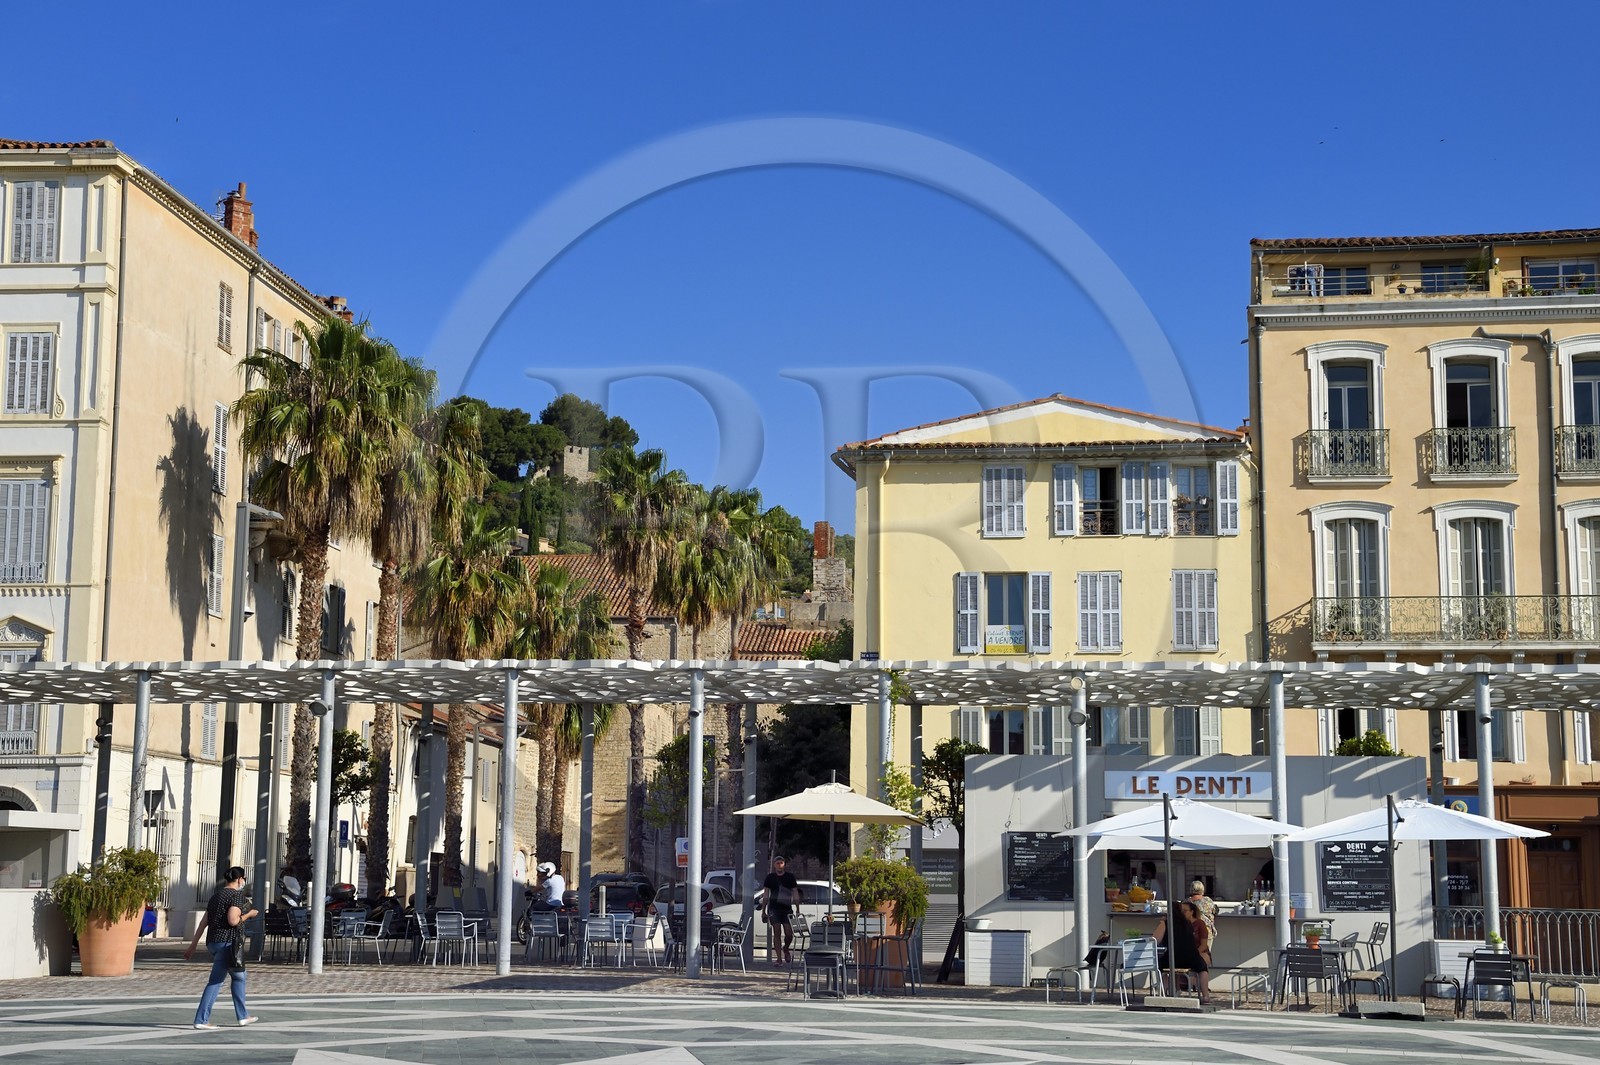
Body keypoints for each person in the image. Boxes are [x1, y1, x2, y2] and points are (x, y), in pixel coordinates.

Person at [184, 865, 259, 1029]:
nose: (243, 882)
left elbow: (203, 924)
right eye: (243, 879)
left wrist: (192, 946)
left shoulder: (215, 897)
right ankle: (201, 1020)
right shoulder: (236, 896)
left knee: (240, 976)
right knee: (216, 981)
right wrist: (249, 914)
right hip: (228, 944)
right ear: (239, 879)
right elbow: (233, 920)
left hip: (214, 942)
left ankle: (243, 1016)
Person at [1154, 899, 1212, 1004]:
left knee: (1161, 967)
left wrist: (1162, 923)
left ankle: (1164, 992)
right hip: (1190, 957)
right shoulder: (1188, 924)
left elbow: (1155, 940)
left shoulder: (1166, 924)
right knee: (1203, 968)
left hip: (1172, 958)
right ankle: (1206, 996)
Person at [760, 855, 801, 965]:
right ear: (774, 865)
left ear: (784, 865)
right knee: (776, 932)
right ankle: (779, 959)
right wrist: (763, 910)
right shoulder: (770, 878)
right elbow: (766, 894)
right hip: (774, 908)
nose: (779, 865)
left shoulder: (790, 877)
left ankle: (786, 948)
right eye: (777, 863)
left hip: (787, 908)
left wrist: (797, 908)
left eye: (781, 863)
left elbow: (795, 892)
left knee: (789, 933)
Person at [1187, 880, 1219, 947]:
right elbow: (1215, 911)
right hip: (1207, 932)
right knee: (1205, 955)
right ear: (1202, 889)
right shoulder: (1208, 901)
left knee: (1192, 955)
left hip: (1191, 933)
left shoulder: (1186, 902)